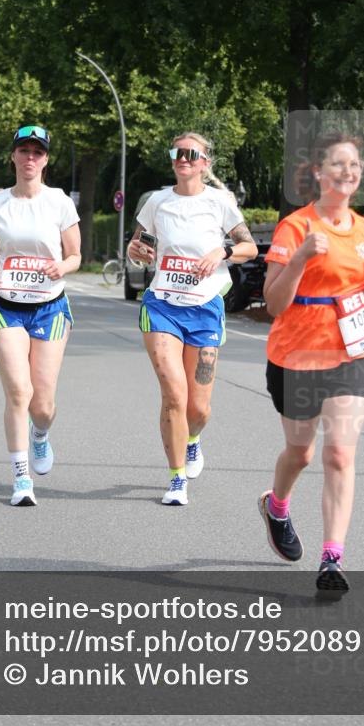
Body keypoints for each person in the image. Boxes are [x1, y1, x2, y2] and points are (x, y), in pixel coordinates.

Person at [259, 133, 364, 592]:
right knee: (301, 453)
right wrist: (302, 258)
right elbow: (272, 303)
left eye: (354, 165)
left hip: (352, 353)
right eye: (338, 164)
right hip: (297, 354)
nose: (348, 171)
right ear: (319, 174)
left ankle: (332, 559)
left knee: (340, 453)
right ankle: (277, 505)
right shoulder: (295, 227)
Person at [127, 131, 257, 506]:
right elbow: (137, 247)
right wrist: (137, 251)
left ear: (205, 163)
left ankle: (194, 440)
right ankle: (176, 478)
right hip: (162, 305)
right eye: (177, 152)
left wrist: (223, 251)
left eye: (190, 154)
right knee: (173, 394)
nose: (182, 158)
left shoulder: (220, 203)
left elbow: (249, 247)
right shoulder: (157, 202)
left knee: (197, 408)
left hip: (204, 309)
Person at [0, 126, 81, 506]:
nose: (30, 158)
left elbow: (75, 255)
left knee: (42, 404)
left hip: (50, 307)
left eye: (38, 152)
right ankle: (21, 479)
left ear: (46, 160)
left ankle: (40, 436)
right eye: (24, 150)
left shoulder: (59, 203)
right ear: (13, 157)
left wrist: (63, 268)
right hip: (6, 307)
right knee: (18, 392)